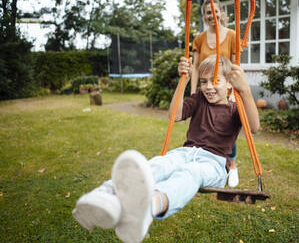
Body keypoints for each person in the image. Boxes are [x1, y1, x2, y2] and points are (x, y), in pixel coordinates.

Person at [72, 55, 260, 243]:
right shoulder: (199, 99)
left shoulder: (236, 109)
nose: (209, 86)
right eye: (204, 81)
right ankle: (104, 196)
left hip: (213, 163)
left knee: (190, 173)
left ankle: (149, 207)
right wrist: (183, 80)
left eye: (215, 80)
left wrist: (244, 90)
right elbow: (175, 115)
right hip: (185, 152)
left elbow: (254, 127)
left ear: (229, 84)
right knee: (159, 164)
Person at [191, 0, 241, 187]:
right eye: (208, 12)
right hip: (205, 90)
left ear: (222, 13)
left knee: (225, 126)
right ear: (204, 16)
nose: (213, 15)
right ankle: (207, 162)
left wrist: (235, 91)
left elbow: (235, 65)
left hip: (224, 90)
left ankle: (232, 164)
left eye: (216, 11)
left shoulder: (231, 36)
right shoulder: (199, 39)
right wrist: (194, 90)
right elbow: (196, 66)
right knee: (204, 127)